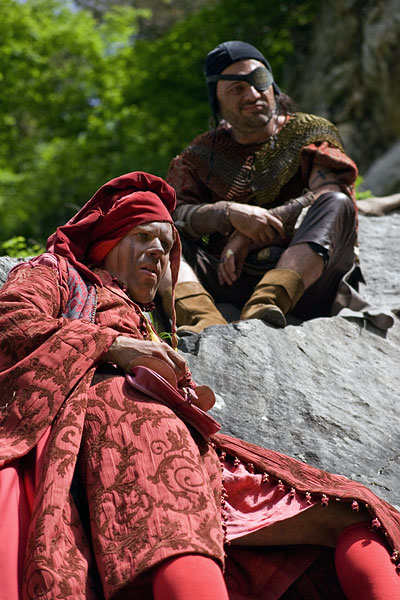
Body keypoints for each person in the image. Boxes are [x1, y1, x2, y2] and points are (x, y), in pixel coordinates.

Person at [1, 171, 400, 600]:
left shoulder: (148, 319)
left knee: (352, 509)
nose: (159, 251)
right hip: (121, 423)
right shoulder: (57, 273)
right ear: (106, 243)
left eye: (167, 244)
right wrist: (114, 346)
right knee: (173, 508)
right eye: (143, 237)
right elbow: (11, 321)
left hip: (193, 445)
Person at [164, 40, 363, 334]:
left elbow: (329, 192)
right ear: (217, 100)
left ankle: (267, 303)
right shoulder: (201, 155)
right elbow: (175, 212)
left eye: (259, 81)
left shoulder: (308, 133)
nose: (253, 94)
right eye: (237, 89)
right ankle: (202, 318)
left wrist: (248, 234)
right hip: (227, 280)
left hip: (307, 283)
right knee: (159, 228)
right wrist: (228, 213)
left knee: (336, 202)